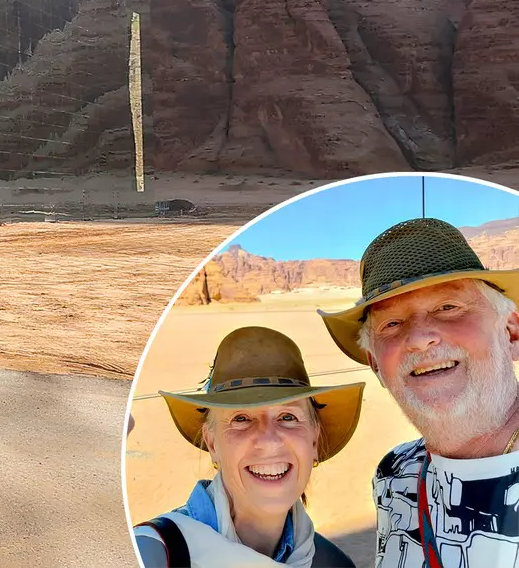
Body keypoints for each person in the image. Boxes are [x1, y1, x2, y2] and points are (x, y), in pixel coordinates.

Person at [317, 217, 519, 568]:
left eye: (448, 307)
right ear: (376, 364)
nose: (419, 338)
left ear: (512, 331)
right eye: (392, 324)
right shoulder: (396, 474)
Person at [134, 326, 361, 566]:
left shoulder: (332, 564)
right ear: (212, 443)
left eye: (287, 417)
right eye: (241, 419)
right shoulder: (154, 554)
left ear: (314, 440)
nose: (269, 441)